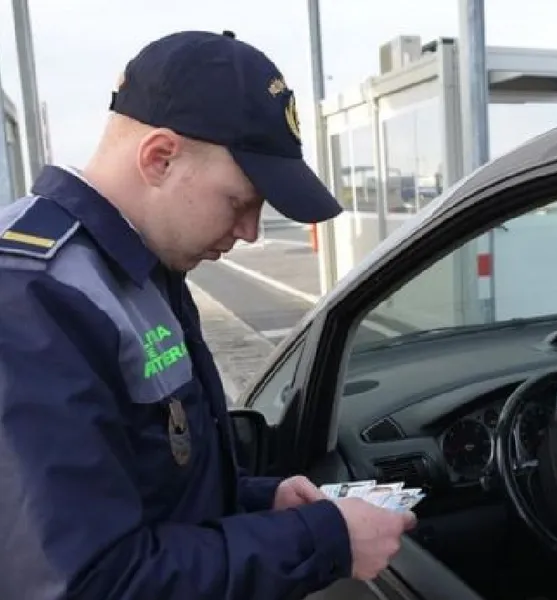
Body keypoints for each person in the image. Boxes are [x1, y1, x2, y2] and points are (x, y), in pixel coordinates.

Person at [0, 30, 415, 599]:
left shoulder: (137, 268)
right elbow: (90, 582)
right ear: (160, 157)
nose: (249, 231)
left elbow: (145, 486)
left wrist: (259, 502)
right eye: (240, 202)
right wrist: (320, 541)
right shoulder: (29, 299)